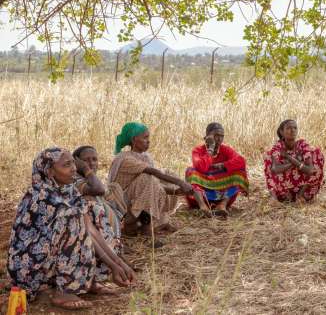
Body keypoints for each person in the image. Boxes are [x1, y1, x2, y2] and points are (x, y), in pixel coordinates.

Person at [7, 148, 135, 310]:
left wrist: (118, 263)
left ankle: (87, 280)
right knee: (72, 217)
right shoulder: (41, 195)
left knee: (94, 210)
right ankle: (64, 291)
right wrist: (114, 266)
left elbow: (90, 228)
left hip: (52, 259)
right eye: (66, 165)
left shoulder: (69, 189)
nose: (74, 168)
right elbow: (81, 229)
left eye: (73, 163)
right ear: (50, 172)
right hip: (32, 268)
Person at [108, 122, 198, 237]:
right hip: (123, 203)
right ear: (134, 139)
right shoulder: (125, 158)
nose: (148, 141)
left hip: (139, 197)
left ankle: (157, 222)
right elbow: (153, 175)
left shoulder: (146, 156)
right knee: (148, 178)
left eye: (148, 137)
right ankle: (143, 228)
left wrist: (176, 191)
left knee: (169, 175)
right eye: (145, 137)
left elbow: (155, 184)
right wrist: (181, 182)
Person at [185, 122, 249, 217]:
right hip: (202, 191)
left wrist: (224, 165)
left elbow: (241, 161)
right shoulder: (197, 150)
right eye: (216, 135)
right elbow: (201, 167)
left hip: (220, 190)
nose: (219, 139)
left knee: (239, 174)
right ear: (207, 136)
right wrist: (210, 149)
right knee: (190, 172)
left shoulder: (225, 149)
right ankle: (203, 207)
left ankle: (222, 205)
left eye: (221, 136)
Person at [264, 119, 324, 202]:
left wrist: (289, 158)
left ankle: (300, 196)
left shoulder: (302, 144)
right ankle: (274, 199)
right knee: (268, 156)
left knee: (317, 153)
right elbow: (275, 169)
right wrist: (296, 160)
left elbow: (310, 170)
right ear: (282, 132)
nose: (292, 130)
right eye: (288, 128)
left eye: (295, 128)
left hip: (302, 188)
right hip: (284, 190)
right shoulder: (278, 146)